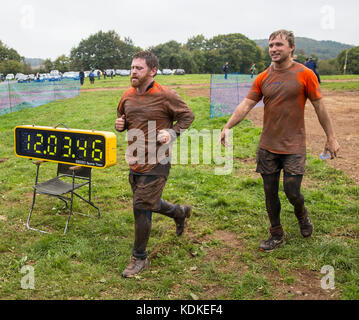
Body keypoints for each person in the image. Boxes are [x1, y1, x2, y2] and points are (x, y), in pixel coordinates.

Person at [219, 29, 339, 252]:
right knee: (270, 191)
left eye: (278, 45)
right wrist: (227, 127)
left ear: (291, 47)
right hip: (268, 145)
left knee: (292, 191)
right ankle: (276, 233)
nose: (273, 49)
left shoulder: (305, 75)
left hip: (294, 145)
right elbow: (246, 105)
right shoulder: (263, 77)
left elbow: (320, 107)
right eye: (271, 45)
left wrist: (331, 137)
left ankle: (301, 214)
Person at [115, 51, 194, 277]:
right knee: (150, 202)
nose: (133, 72)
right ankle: (179, 213)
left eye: (139, 68)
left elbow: (188, 116)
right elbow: (122, 117)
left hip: (158, 160)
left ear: (153, 71)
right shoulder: (127, 96)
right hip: (135, 159)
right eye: (132, 67)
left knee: (141, 205)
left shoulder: (165, 95)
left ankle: (139, 258)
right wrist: (119, 125)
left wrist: (172, 132)